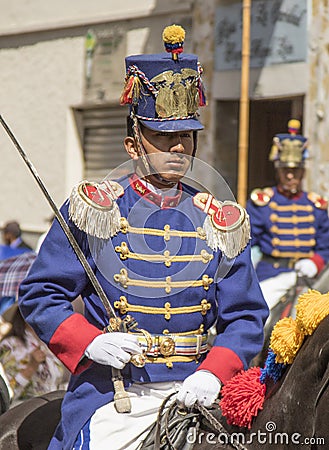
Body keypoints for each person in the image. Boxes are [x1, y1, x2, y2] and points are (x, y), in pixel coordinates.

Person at [19, 25, 268, 449]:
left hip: (196, 392)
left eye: (185, 137)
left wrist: (214, 371)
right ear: (133, 145)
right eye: (163, 137)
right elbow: (41, 293)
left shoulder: (220, 220)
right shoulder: (95, 209)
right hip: (115, 392)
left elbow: (245, 317)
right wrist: (90, 342)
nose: (177, 148)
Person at [247, 119, 329, 311]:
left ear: (302, 173)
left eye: (295, 171)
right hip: (273, 276)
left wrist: (315, 263)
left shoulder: (316, 205)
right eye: (286, 171)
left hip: (310, 278)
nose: (290, 176)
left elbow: (326, 245)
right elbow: (248, 243)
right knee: (259, 317)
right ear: (278, 171)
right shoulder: (263, 202)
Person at [0, 303, 68, 407]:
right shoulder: (10, 345)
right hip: (22, 411)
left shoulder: (50, 345)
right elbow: (6, 392)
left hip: (52, 408)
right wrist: (31, 367)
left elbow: (55, 384)